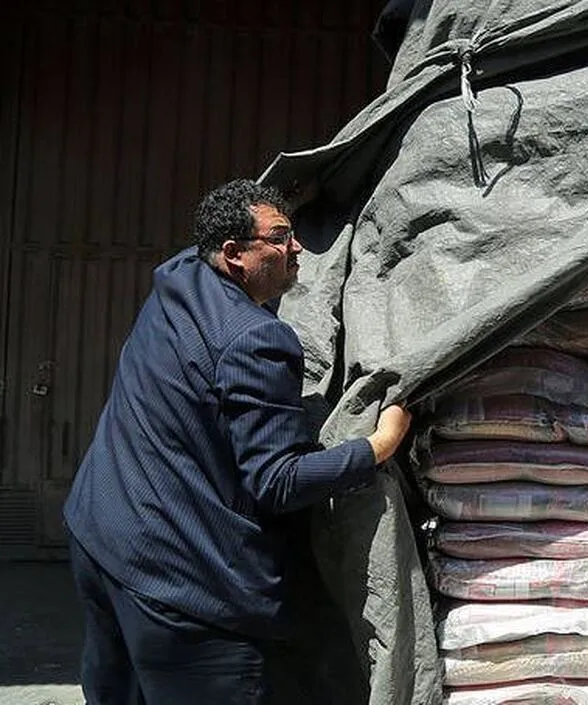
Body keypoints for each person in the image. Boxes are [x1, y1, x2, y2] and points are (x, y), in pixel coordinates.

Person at [62, 179, 410, 705]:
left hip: (101, 534)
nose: (298, 248)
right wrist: (377, 446)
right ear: (233, 254)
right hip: (180, 580)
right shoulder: (257, 338)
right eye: (281, 237)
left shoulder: (178, 276)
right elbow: (277, 481)